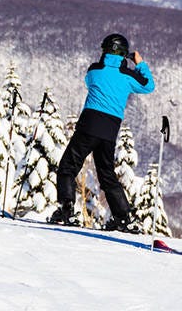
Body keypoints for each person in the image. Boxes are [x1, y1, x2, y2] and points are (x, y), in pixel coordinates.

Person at [50, 33, 155, 232]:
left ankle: (66, 209)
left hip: (89, 123)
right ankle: (123, 218)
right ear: (125, 53)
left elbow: (89, 82)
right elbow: (149, 86)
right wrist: (139, 64)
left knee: (68, 165)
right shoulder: (129, 77)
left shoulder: (95, 70)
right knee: (107, 174)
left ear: (105, 50)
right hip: (110, 129)